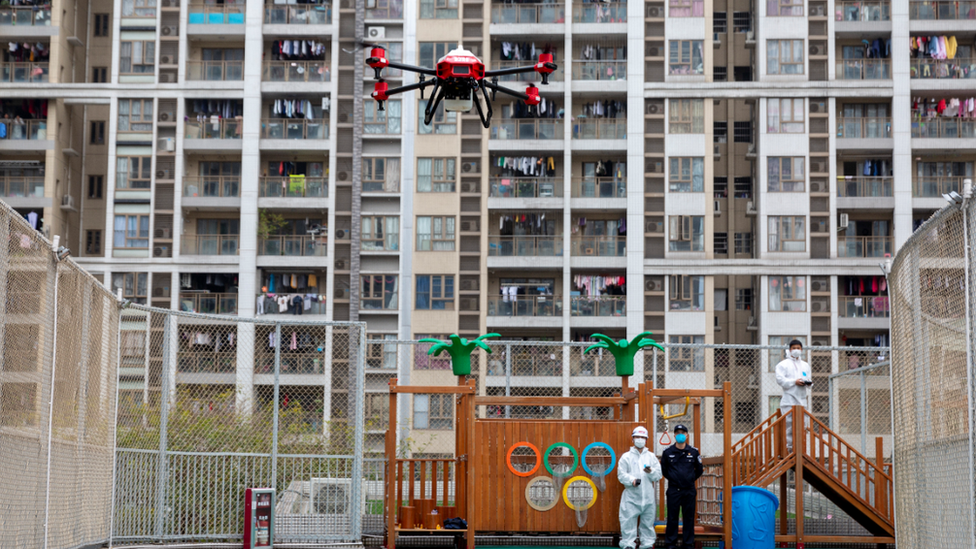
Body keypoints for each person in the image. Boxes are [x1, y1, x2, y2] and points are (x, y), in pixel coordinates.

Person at [617, 426, 662, 549]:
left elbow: (658, 475)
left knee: (647, 523)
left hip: (647, 497)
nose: (640, 439)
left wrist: (650, 471)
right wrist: (632, 480)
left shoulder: (651, 457)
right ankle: (628, 544)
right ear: (632, 439)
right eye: (637, 437)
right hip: (631, 497)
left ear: (646, 440)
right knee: (628, 521)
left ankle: (647, 543)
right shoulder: (626, 457)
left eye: (643, 437)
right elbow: (621, 474)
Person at [661, 424, 703, 549]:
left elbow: (699, 470)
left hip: (689, 490)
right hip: (674, 490)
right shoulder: (667, 452)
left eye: (683, 432)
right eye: (678, 432)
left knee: (689, 517)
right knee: (672, 517)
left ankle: (688, 543)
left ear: (687, 435)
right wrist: (675, 480)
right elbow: (665, 471)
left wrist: (689, 479)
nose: (680, 435)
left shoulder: (694, 452)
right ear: (674, 435)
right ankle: (670, 543)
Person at [774, 338, 811, 452]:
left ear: (802, 350)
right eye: (794, 348)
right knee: (789, 426)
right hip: (789, 399)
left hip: (802, 399)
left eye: (798, 348)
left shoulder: (805, 365)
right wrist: (794, 382)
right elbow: (780, 380)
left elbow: (808, 378)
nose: (796, 350)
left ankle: (800, 450)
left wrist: (807, 383)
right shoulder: (783, 365)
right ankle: (790, 451)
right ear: (789, 350)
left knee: (802, 426)